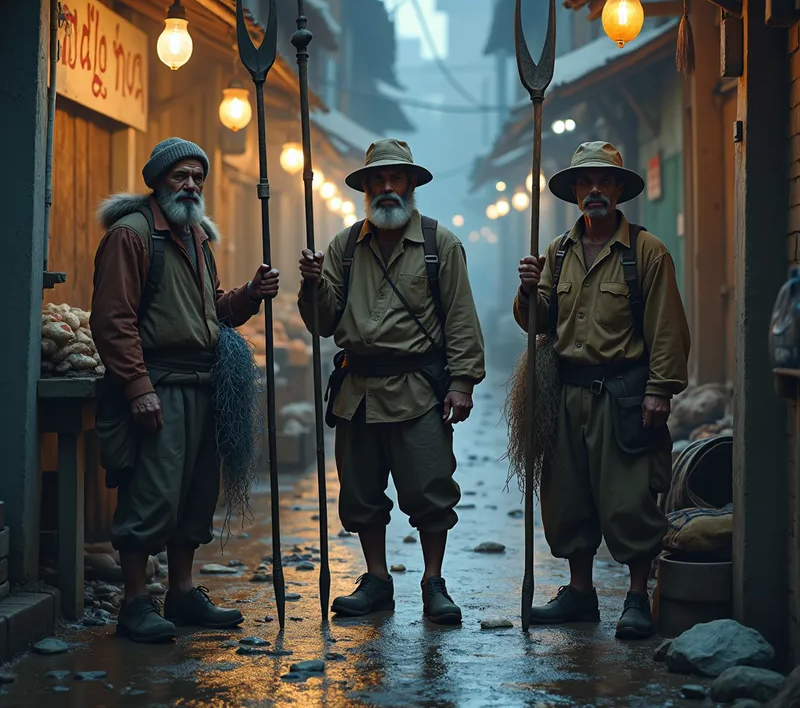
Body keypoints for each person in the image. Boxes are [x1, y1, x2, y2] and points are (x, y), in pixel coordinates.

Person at [91, 137, 279, 643]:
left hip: (203, 384)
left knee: (196, 496)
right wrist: (137, 386)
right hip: (159, 384)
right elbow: (113, 320)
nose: (191, 185)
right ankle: (133, 602)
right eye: (181, 175)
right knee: (151, 493)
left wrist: (248, 297)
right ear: (158, 181)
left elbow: (208, 311)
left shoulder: (197, 237)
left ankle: (182, 592)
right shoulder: (131, 237)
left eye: (198, 176)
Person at [297, 138, 485, 625]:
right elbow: (323, 321)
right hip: (357, 390)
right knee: (360, 495)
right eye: (377, 180)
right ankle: (377, 579)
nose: (385, 187)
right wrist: (312, 284)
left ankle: (433, 581)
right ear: (365, 188)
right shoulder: (343, 245)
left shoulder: (439, 243)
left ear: (410, 185)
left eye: (394, 178)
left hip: (419, 389)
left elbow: (461, 317)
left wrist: (461, 382)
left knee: (431, 490)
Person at [514, 141, 690, 639]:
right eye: (585, 182)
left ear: (618, 189)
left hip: (625, 395)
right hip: (565, 394)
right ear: (573, 192)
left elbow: (668, 328)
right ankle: (580, 593)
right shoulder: (558, 250)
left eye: (604, 181)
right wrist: (529, 290)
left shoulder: (644, 251)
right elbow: (540, 320)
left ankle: (637, 597)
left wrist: (661, 389)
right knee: (568, 498)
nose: (595, 190)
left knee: (630, 498)